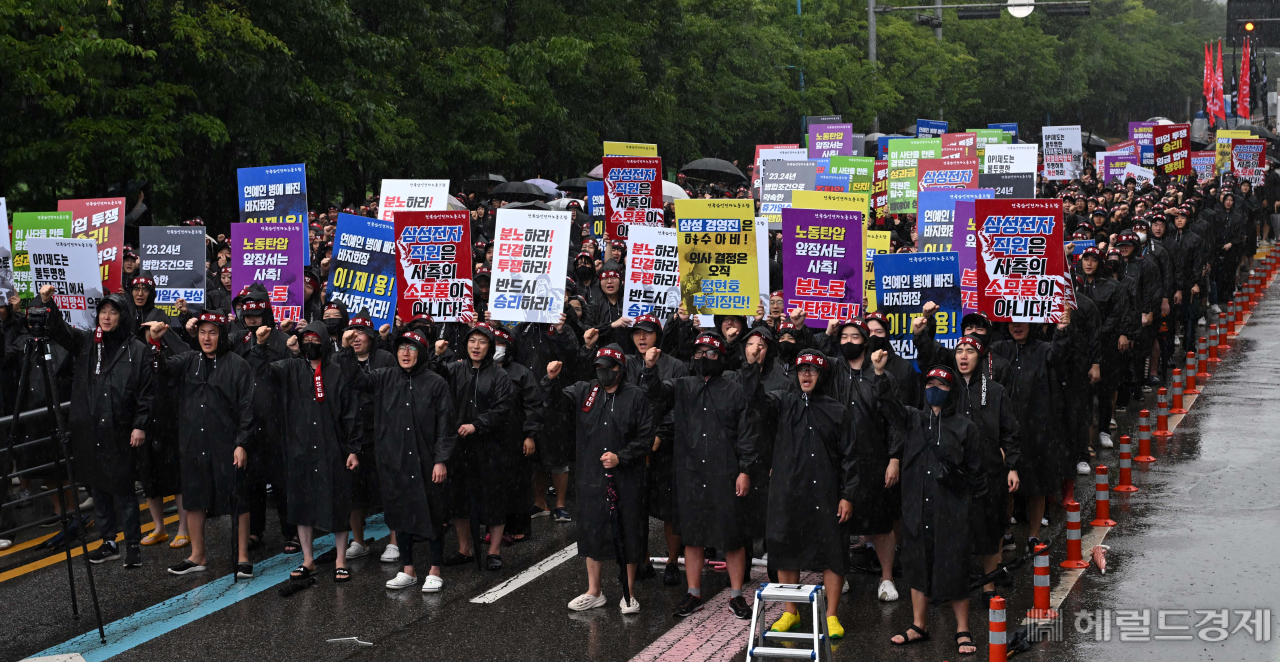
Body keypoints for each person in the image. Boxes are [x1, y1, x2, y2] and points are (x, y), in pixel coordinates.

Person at [642, 332, 757, 619]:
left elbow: (747, 435)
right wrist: (649, 368)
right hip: (690, 472)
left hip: (726, 473)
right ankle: (693, 593)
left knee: (732, 536)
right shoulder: (681, 386)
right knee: (692, 537)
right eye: (699, 353)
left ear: (721, 358)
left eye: (711, 353)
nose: (703, 358)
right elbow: (654, 395)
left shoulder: (734, 390)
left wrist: (745, 470)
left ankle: (736, 595)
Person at [40, 285, 155, 568]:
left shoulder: (137, 349)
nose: (106, 317)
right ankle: (108, 542)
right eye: (102, 311)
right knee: (98, 489)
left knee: (124, 490)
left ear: (122, 316)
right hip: (90, 429)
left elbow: (147, 392)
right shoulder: (88, 342)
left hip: (121, 429)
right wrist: (48, 303)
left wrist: (139, 425)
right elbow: (60, 331)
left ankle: (132, 545)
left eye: (112, 312)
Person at [745, 349, 857, 639]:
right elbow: (756, 403)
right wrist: (752, 368)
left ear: (823, 375)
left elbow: (850, 457)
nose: (807, 374)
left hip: (827, 492)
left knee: (834, 551)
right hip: (787, 490)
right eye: (802, 369)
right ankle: (790, 612)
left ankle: (832, 615)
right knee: (785, 548)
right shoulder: (783, 401)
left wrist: (848, 495)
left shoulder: (837, 410)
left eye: (813, 370)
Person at [145, 312, 256, 577]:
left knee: (237, 500)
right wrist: (156, 344)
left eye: (213, 332)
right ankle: (197, 555)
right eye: (203, 332)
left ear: (223, 335)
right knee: (194, 498)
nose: (207, 338)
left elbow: (248, 408)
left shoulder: (237, 364)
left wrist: (242, 443)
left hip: (227, 443)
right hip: (193, 442)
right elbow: (161, 370)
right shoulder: (189, 360)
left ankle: (242, 556)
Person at [544, 345, 654, 613]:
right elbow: (557, 405)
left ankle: (628, 592)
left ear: (621, 369)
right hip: (591, 476)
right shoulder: (585, 390)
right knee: (592, 530)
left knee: (627, 531)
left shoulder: (636, 396)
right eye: (599, 368)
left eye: (609, 368)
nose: (604, 373)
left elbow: (646, 437)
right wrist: (550, 380)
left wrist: (622, 456)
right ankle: (594, 590)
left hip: (627, 477)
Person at [349, 330, 456, 593]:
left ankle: (434, 568)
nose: (405, 354)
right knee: (400, 514)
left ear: (421, 353)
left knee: (432, 513)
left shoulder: (435, 383)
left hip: (426, 460)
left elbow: (446, 425)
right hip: (393, 460)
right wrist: (344, 350)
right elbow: (353, 379)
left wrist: (441, 460)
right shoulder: (384, 377)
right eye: (401, 349)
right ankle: (407, 568)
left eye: (412, 349)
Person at [255, 321, 362, 583]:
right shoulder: (291, 367)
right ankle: (308, 560)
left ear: (324, 342)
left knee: (337, 504)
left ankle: (340, 560)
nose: (310, 344)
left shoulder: (337, 371)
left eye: (316, 339)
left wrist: (353, 449)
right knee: (301, 505)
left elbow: (351, 413)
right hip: (299, 447)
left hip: (332, 447)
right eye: (306, 339)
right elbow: (262, 373)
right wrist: (263, 346)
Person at [888, 363, 983, 656]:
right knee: (917, 566)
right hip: (917, 508)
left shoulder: (966, 427)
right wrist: (879, 375)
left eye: (941, 386)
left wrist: (970, 512)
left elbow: (977, 476)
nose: (934, 390)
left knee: (954, 568)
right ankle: (919, 625)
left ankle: (962, 629)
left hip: (952, 511)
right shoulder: (914, 419)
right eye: (930, 385)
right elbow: (888, 407)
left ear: (951, 391)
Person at [822, 318, 905, 602]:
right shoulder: (831, 371)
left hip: (875, 459)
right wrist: (827, 333)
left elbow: (896, 420)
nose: (848, 341)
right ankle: (838, 575)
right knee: (838, 522)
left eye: (854, 336)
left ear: (866, 341)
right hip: (839, 461)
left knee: (881, 523)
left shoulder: (882, 375)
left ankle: (886, 578)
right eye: (843, 336)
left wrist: (894, 458)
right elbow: (810, 357)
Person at [989, 311, 1073, 552]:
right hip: (1005, 432)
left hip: (1037, 429)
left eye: (1022, 321)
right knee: (1007, 487)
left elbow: (1060, 355)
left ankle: (1034, 536)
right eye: (1012, 321)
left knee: (1037, 486)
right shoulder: (999, 349)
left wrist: (1062, 329)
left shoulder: (1044, 349)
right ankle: (1006, 533)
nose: (1017, 326)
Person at [432, 323, 514, 570]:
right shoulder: (455, 368)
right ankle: (464, 548)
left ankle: (494, 550)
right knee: (458, 498)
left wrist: (477, 424)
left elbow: (503, 408)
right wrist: (436, 355)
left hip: (490, 445)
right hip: (459, 445)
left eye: (482, 342)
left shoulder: (500, 375)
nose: (476, 346)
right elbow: (432, 377)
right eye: (472, 341)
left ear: (489, 346)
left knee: (494, 497)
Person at [233, 291, 298, 553]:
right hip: (249, 419)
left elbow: (294, 376)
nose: (251, 320)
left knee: (283, 483)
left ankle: (291, 532)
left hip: (278, 419)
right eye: (247, 315)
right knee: (252, 482)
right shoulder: (240, 340)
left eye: (256, 315)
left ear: (267, 314)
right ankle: (256, 531)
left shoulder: (282, 340)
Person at [335, 310, 396, 560]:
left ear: (371, 335)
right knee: (353, 491)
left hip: (382, 433)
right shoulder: (339, 360)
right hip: (351, 436)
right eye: (352, 332)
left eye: (361, 332)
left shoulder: (385, 358)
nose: (356, 337)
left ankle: (395, 541)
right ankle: (358, 540)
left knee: (389, 488)